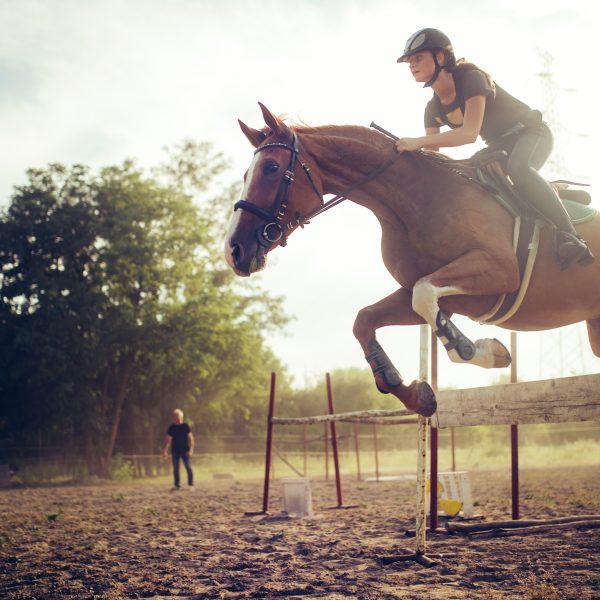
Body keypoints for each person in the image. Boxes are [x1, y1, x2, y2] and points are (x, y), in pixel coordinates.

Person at [395, 27, 594, 270]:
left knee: (519, 169)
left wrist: (416, 142)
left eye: (418, 58)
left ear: (440, 57)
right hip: (500, 146)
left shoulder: (471, 79)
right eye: (409, 62)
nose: (412, 66)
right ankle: (552, 192)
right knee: (476, 181)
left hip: (533, 133)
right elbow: (432, 158)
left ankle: (571, 236)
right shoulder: (432, 110)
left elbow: (469, 134)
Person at [162, 408, 194, 491]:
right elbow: (168, 440)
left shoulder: (185, 426)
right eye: (175, 417)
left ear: (181, 417)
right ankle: (177, 485)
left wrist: (191, 450)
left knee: (188, 467)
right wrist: (165, 450)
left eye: (178, 416)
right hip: (175, 451)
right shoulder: (172, 428)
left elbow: (190, 439)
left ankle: (191, 484)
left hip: (185, 450)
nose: (177, 418)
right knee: (176, 468)